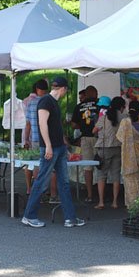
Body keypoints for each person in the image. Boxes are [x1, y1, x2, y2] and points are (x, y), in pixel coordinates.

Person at [21, 77, 85, 229]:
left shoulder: (52, 102)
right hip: (51, 148)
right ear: (63, 89)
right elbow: (42, 123)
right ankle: (29, 215)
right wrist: (48, 145)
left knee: (63, 182)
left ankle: (70, 217)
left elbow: (55, 127)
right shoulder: (46, 102)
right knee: (42, 180)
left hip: (59, 148)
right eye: (65, 91)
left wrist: (65, 147)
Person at [24, 79, 57, 200]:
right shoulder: (50, 102)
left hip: (35, 139)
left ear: (37, 90)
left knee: (37, 166)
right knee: (52, 168)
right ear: (46, 90)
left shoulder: (31, 104)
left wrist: (26, 139)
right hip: (48, 138)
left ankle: (37, 194)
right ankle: (53, 195)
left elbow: (27, 124)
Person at [116, 99, 139, 209]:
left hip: (129, 157)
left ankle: (133, 205)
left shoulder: (125, 122)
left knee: (130, 180)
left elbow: (120, 138)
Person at [92, 96, 126, 210]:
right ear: (121, 107)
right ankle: (115, 202)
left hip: (104, 148)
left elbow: (94, 130)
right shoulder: (124, 117)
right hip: (118, 148)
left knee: (102, 175)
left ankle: (101, 202)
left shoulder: (104, 117)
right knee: (116, 175)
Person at [71, 85, 98, 203]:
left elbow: (73, 125)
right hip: (99, 138)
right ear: (96, 94)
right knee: (103, 164)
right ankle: (103, 192)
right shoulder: (99, 106)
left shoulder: (79, 107)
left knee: (88, 167)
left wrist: (82, 126)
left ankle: (90, 195)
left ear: (86, 95)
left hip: (85, 138)